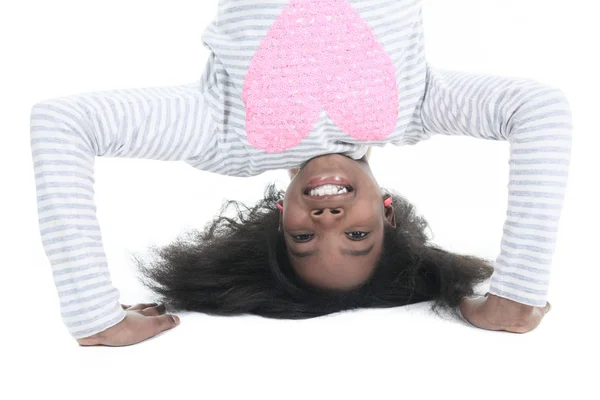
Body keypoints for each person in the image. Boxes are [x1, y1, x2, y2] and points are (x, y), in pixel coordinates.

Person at [30, 0, 571, 347]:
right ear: (387, 212)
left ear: (278, 211)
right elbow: (540, 110)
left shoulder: (221, 135)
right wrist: (516, 294)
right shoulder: (419, 107)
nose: (329, 216)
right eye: (356, 236)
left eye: (304, 236)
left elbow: (62, 123)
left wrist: (93, 314)